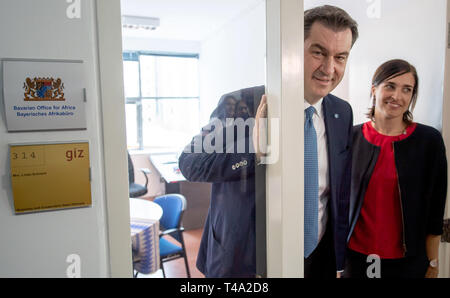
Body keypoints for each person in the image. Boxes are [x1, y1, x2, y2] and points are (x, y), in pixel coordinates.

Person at [255, 5, 358, 278]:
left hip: (319, 257)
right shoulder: (245, 103)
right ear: (293, 48)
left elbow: (338, 191)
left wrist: (338, 260)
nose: (329, 68)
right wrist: (253, 152)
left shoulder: (342, 112)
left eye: (340, 57)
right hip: (260, 259)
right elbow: (191, 163)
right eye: (318, 52)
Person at [345, 59, 447, 278]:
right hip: (355, 259)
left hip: (408, 263)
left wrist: (433, 262)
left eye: (407, 89)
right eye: (390, 86)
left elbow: (435, 210)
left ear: (412, 96)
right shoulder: (349, 138)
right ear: (374, 89)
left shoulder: (429, 141)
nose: (397, 96)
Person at [178, 91, 259, 277]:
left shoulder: (331, 112)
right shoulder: (240, 103)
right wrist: (251, 156)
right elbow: (188, 162)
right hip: (232, 247)